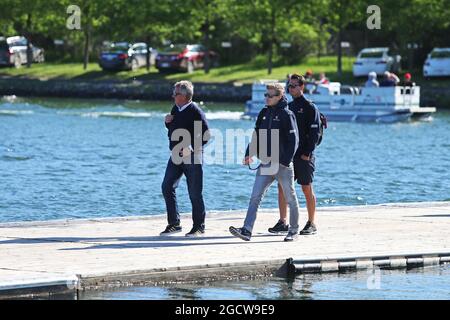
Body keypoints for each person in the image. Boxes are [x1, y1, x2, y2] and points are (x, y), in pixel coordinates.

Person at [229, 83, 301, 242]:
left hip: (282, 165)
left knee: (290, 198)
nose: (267, 98)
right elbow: (257, 137)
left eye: (270, 95)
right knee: (255, 196)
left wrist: (285, 161)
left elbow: (294, 141)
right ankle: (247, 230)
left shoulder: (287, 115)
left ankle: (294, 231)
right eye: (266, 95)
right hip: (266, 164)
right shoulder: (263, 113)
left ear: (280, 96)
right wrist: (249, 153)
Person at [268, 74, 321, 236]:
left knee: (306, 188)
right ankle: (283, 221)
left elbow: (315, 133)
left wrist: (307, 153)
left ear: (302, 87)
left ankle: (311, 223)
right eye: (289, 86)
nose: (291, 88)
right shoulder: (288, 107)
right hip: (288, 156)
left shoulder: (310, 107)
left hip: (304, 156)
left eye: (294, 86)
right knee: (282, 188)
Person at [161, 81, 210, 237]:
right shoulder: (176, 108)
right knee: (167, 186)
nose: (173, 96)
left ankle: (199, 227)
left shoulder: (195, 111)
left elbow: (206, 134)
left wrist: (191, 148)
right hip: (175, 155)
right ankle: (174, 224)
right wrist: (167, 123)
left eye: (175, 94)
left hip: (192, 157)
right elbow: (174, 128)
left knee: (194, 192)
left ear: (183, 96)